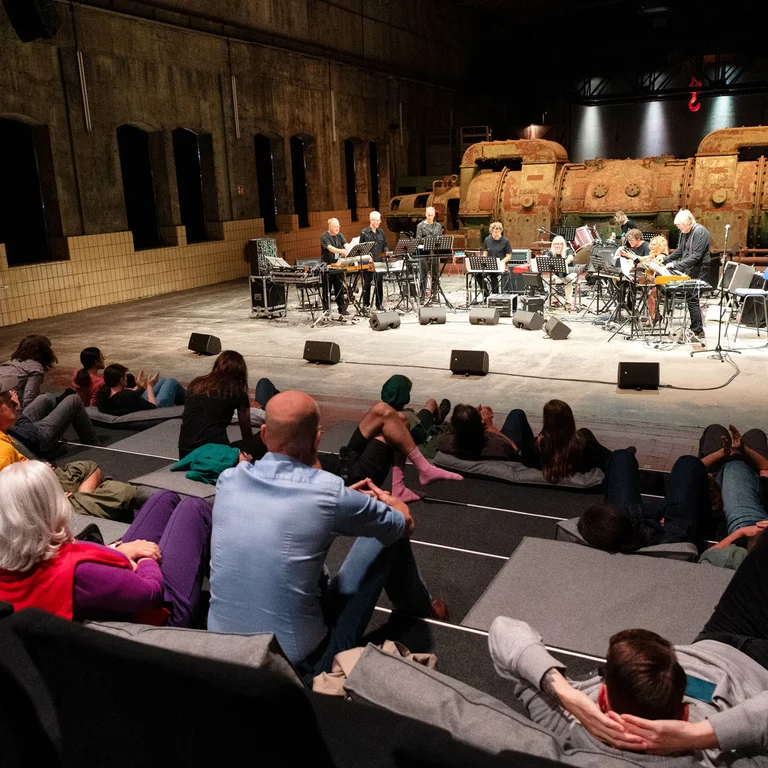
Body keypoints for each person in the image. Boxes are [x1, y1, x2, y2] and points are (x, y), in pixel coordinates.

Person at [208, 390, 447, 677]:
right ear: (317, 439)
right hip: (297, 668)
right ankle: (419, 608)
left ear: (264, 434)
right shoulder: (327, 493)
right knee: (387, 532)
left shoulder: (230, 480)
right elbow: (404, 525)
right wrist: (391, 504)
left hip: (222, 654)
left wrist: (344, 502)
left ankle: (417, 605)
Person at [489, 523, 768, 763]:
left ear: (602, 696)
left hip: (717, 637)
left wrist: (569, 696)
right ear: (684, 713)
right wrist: (699, 735)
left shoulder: (568, 722)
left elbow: (503, 629)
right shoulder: (709, 758)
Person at [0, 461, 212, 627]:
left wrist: (118, 550)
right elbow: (151, 593)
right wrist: (146, 560)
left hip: (118, 589)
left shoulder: (14, 559)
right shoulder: (80, 571)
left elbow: (75, 555)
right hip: (158, 614)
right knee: (194, 508)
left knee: (164, 498)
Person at [340, 383, 462, 503]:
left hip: (346, 458)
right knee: (401, 419)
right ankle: (421, 471)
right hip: (352, 474)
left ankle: (406, 482)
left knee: (382, 409)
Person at [577, 449, 712, 552]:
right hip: (669, 538)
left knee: (621, 457)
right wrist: (659, 518)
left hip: (624, 535)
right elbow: (668, 531)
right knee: (688, 463)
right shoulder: (674, 538)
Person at [696, 423, 768, 570]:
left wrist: (741, 532)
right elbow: (765, 469)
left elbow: (705, 557)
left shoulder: (740, 557)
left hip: (725, 477)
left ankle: (729, 458)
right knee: (756, 435)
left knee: (714, 430)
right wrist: (744, 450)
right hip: (750, 486)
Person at [501, 400, 612, 483]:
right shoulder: (587, 448)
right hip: (579, 452)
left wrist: (537, 442)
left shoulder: (535, 450)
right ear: (571, 421)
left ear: (546, 422)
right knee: (584, 432)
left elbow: (518, 456)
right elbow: (612, 460)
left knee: (517, 413)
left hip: (539, 454)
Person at [179, 350, 263, 459]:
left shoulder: (196, 383)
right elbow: (246, 431)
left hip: (185, 453)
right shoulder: (236, 391)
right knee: (262, 440)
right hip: (214, 453)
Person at [1, 372, 100, 457]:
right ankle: (95, 449)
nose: (13, 401)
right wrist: (18, 412)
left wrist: (13, 410)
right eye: (8, 401)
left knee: (45, 398)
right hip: (38, 441)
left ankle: (59, 431)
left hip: (18, 430)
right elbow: (34, 438)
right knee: (74, 400)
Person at [662, 209, 711, 344]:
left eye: (680, 225)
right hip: (690, 267)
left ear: (688, 222)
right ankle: (696, 328)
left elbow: (696, 256)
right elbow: (680, 251)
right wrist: (665, 260)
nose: (678, 228)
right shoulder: (684, 232)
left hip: (700, 268)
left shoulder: (700, 232)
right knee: (690, 298)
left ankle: (697, 331)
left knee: (693, 298)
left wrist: (676, 265)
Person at [436, 404, 519, 461]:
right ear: (481, 428)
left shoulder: (442, 442)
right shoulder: (499, 446)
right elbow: (515, 451)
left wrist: (469, 415)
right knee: (517, 414)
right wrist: (491, 428)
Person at [96, 364, 184, 416]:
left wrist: (138, 386)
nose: (126, 378)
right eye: (125, 376)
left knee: (162, 380)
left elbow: (126, 400)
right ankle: (189, 402)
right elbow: (153, 408)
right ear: (121, 380)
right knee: (171, 382)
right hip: (155, 412)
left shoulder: (103, 393)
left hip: (135, 407)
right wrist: (149, 386)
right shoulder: (129, 396)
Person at [0, 334, 58, 410]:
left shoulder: (10, 362)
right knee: (48, 398)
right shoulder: (35, 368)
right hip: (9, 410)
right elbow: (28, 401)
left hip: (4, 406)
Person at [359, 211, 388, 311]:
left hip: (379, 261)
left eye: (379, 220)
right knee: (367, 284)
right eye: (376, 220)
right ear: (371, 220)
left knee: (379, 284)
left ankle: (379, 304)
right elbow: (361, 248)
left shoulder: (381, 232)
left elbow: (384, 245)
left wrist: (387, 253)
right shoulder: (364, 232)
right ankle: (366, 305)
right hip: (368, 263)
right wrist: (367, 257)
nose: (378, 222)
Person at [319, 218, 349, 316]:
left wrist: (349, 249)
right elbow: (330, 248)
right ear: (330, 227)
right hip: (327, 267)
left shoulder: (340, 235)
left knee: (339, 288)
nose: (337, 228)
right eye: (335, 227)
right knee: (326, 289)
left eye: (338, 226)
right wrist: (341, 251)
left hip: (338, 265)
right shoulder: (324, 236)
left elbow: (346, 245)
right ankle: (326, 310)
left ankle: (342, 309)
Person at [538, 235, 577, 309]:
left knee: (568, 279)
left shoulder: (568, 250)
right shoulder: (551, 252)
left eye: (559, 244)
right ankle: (555, 300)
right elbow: (546, 257)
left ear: (563, 244)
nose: (557, 246)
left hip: (570, 273)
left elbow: (570, 258)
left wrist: (564, 263)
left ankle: (568, 302)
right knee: (550, 281)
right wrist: (542, 259)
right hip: (559, 275)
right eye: (555, 244)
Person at [415, 206, 443, 300]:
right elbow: (418, 239)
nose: (430, 217)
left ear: (434, 215)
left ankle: (434, 295)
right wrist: (429, 239)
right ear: (425, 215)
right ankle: (422, 296)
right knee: (423, 275)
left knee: (435, 274)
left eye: (431, 215)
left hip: (434, 253)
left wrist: (436, 240)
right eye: (428, 215)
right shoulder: (420, 226)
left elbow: (440, 238)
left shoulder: (438, 226)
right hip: (424, 253)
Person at [480, 221, 512, 296]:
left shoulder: (505, 241)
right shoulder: (487, 240)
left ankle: (495, 296)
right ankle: (486, 294)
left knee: (493, 274)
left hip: (501, 265)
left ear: (501, 231)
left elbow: (508, 256)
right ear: (491, 232)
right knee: (478, 274)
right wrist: (484, 260)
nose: (497, 233)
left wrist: (501, 262)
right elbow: (485, 253)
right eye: (495, 232)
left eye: (498, 232)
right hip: (489, 265)